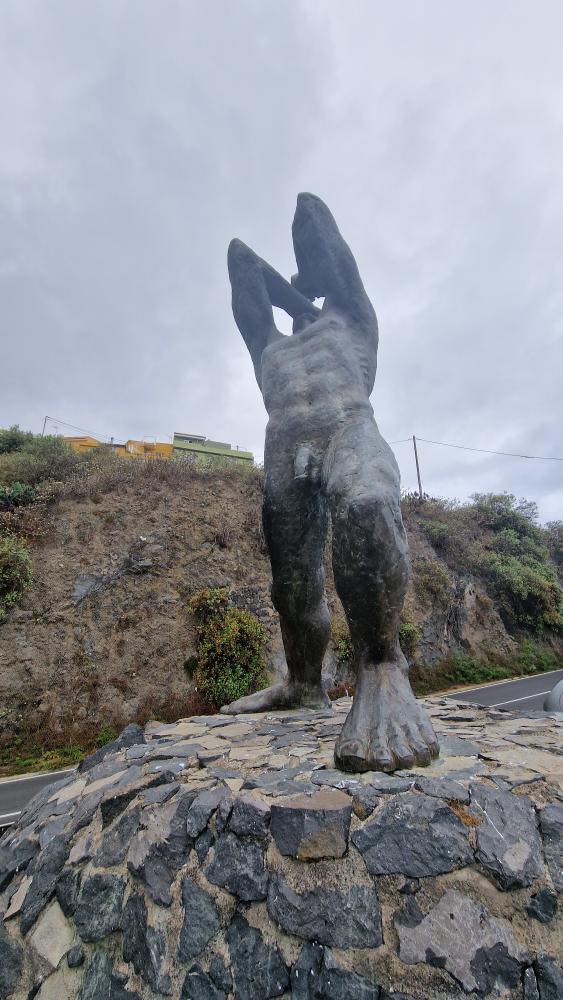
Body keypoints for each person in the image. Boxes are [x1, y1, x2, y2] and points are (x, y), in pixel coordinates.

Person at [222, 192, 438, 773]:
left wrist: (311, 287)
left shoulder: (352, 319)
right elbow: (241, 260)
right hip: (287, 445)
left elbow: (314, 218)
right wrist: (294, 297)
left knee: (368, 503)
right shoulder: (268, 345)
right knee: (292, 586)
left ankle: (382, 665)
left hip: (350, 431)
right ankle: (303, 686)